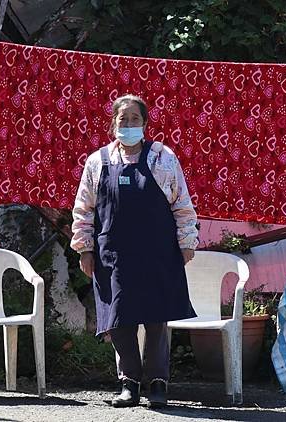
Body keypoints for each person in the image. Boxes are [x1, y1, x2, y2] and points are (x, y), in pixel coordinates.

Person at [71, 94, 198, 408]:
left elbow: (182, 204)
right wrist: (85, 249)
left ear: (145, 124)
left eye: (134, 119)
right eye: (122, 119)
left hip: (158, 253)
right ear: (113, 123)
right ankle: (129, 383)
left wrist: (186, 243)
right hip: (112, 255)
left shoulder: (162, 158)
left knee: (156, 319)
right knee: (118, 319)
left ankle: (157, 383)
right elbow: (83, 210)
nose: (128, 125)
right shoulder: (97, 162)